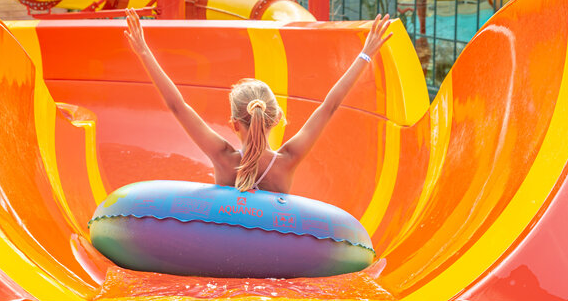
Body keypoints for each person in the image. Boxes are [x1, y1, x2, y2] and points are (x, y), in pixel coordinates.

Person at [124, 10, 393, 194]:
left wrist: (143, 51)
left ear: (233, 123)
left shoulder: (223, 159)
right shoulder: (289, 160)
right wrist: (366, 54)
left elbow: (178, 106)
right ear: (276, 119)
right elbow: (330, 105)